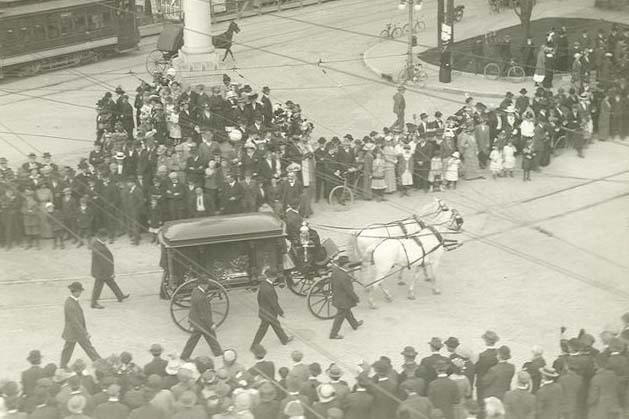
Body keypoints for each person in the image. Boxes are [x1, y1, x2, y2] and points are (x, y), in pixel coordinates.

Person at [181, 275, 224, 360]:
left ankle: (218, 351)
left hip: (195, 319)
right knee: (196, 339)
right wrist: (211, 324)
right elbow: (204, 314)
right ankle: (184, 356)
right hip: (200, 322)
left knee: (209, 335)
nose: (208, 286)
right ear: (202, 285)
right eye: (206, 284)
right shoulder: (201, 298)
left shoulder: (195, 291)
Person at [60, 282, 101, 369]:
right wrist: (84, 332)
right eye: (80, 291)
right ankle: (99, 362)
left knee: (71, 349)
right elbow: (75, 322)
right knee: (86, 347)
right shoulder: (71, 304)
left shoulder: (70, 301)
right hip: (75, 331)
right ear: (76, 292)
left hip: (73, 331)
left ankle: (62, 366)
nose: (80, 293)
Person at [251, 268, 293, 348]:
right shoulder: (269, 289)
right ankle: (254, 345)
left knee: (275, 325)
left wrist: (262, 306)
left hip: (264, 310)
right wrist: (281, 313)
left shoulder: (263, 284)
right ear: (273, 277)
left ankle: (284, 339)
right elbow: (274, 303)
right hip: (269, 312)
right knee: (263, 329)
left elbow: (258, 298)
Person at [91, 228, 129, 309]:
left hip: (100, 270)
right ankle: (93, 303)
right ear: (102, 236)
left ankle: (120, 295)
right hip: (102, 271)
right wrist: (111, 272)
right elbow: (105, 262)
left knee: (111, 283)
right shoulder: (100, 247)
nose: (107, 238)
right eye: (106, 237)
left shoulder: (96, 243)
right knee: (98, 287)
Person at [329, 255, 363, 340]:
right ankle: (333, 334)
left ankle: (354, 324)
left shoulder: (336, 271)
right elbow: (349, 290)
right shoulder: (344, 276)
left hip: (338, 296)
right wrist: (356, 298)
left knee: (347, 311)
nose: (349, 265)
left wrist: (350, 280)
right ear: (345, 265)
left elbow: (336, 284)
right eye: (348, 263)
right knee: (340, 317)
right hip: (343, 299)